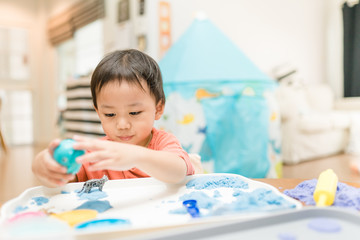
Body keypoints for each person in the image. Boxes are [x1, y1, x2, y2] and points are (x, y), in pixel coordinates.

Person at [32, 49, 195, 188]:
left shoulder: (163, 143)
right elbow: (62, 182)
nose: (122, 125)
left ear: (158, 108)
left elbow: (179, 170)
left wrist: (136, 155)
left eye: (135, 112)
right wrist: (44, 166)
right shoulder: (94, 155)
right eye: (110, 114)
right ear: (98, 112)